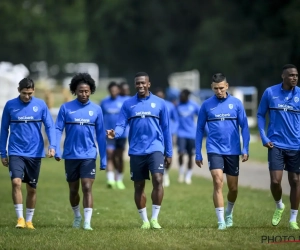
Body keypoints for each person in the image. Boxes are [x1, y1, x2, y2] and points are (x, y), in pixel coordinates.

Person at [107, 72, 172, 229]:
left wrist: (168, 152)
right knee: (139, 186)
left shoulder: (160, 103)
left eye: (143, 83)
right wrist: (116, 133)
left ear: (148, 84)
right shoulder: (128, 104)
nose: (141, 85)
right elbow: (121, 125)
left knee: (158, 179)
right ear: (135, 85)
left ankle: (155, 219)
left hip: (155, 147)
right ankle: (145, 221)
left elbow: (166, 129)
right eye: (138, 83)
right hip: (136, 150)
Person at [195, 73, 250, 230]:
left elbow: (244, 127)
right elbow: (199, 130)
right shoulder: (206, 105)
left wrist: (245, 147)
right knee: (218, 181)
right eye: (215, 88)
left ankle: (229, 212)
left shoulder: (236, 104)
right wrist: (198, 153)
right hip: (214, 149)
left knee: (233, 188)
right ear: (212, 88)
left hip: (233, 150)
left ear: (227, 86)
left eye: (221, 88)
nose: (218, 91)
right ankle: (221, 221)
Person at [0, 77, 56, 229]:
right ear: (19, 91)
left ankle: (29, 220)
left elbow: (50, 126)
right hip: (15, 151)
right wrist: (2, 152)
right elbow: (4, 129)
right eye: (24, 93)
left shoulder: (40, 105)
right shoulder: (10, 105)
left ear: (34, 91)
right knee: (16, 182)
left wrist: (53, 145)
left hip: (35, 152)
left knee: (31, 188)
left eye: (30, 93)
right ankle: (20, 219)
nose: (27, 96)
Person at [55, 73, 107, 231]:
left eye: (86, 91)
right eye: (80, 91)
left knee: (87, 187)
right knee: (73, 189)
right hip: (70, 155)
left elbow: (100, 135)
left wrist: (103, 158)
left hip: (89, 155)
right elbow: (58, 129)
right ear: (74, 91)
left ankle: (87, 222)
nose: (83, 94)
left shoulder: (96, 109)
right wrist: (56, 149)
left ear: (91, 91)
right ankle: (77, 216)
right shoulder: (66, 108)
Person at [257, 64, 300, 230]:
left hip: (295, 145)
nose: (294, 78)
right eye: (290, 75)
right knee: (275, 181)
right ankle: (279, 205)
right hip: (275, 144)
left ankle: (293, 220)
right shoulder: (270, 92)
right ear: (283, 76)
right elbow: (260, 114)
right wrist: (264, 136)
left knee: (295, 180)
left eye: (296, 75)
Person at [100, 82, 127, 189]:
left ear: (119, 91)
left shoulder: (124, 102)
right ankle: (110, 179)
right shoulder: (104, 102)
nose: (114, 92)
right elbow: (100, 117)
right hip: (108, 134)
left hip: (121, 134)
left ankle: (119, 179)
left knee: (119, 157)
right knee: (109, 154)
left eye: (115, 90)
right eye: (112, 90)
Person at [154, 87, 178, 187]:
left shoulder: (170, 106)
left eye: (161, 96)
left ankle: (166, 173)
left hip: (167, 135)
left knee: (168, 155)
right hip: (156, 136)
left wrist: (173, 131)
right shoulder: (152, 105)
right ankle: (160, 174)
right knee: (158, 155)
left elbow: (176, 120)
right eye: (157, 96)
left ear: (164, 96)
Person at [176, 89, 200, 184]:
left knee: (191, 155)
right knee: (181, 153)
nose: (181, 98)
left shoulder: (193, 105)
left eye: (182, 97)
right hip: (181, 133)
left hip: (191, 134)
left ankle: (188, 175)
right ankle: (181, 172)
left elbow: (202, 115)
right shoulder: (177, 105)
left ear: (187, 97)